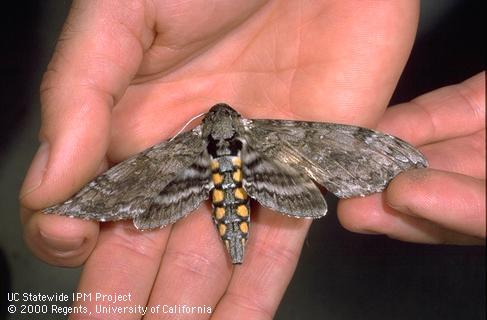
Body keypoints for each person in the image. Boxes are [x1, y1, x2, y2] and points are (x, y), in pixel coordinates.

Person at [19, 1, 485, 319]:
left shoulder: (182, 146)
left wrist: (94, 194)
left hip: (193, 169)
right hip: (262, 166)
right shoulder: (273, 133)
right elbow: (345, 145)